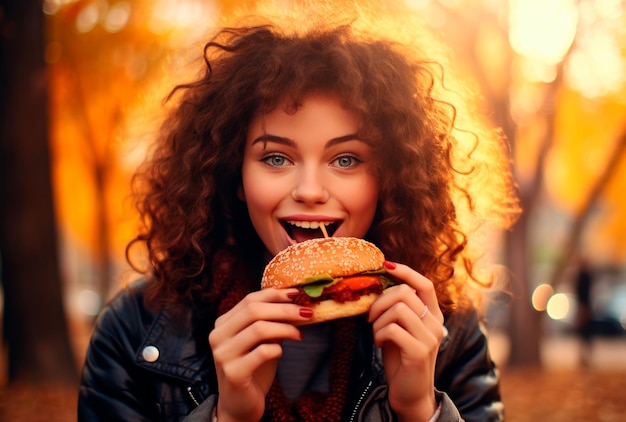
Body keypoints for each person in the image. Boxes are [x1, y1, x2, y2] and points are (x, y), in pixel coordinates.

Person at [78, 2, 520, 421]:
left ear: (391, 177)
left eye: (346, 160)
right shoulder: (135, 330)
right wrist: (227, 416)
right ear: (234, 176)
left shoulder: (447, 330)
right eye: (276, 158)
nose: (309, 191)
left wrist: (420, 409)